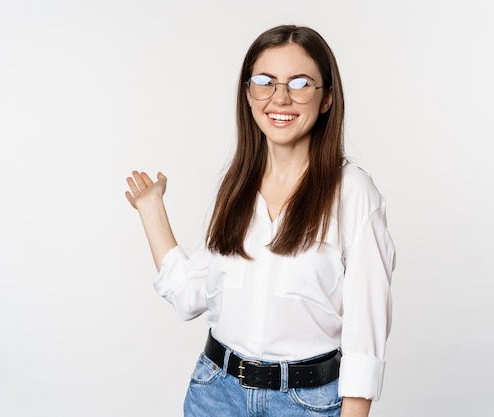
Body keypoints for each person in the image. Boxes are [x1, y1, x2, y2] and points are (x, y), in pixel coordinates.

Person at [125, 24, 395, 417]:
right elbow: (190, 295)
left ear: (326, 100)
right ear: (248, 94)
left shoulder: (354, 193)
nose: (280, 98)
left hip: (307, 404)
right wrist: (152, 209)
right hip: (214, 394)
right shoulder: (236, 187)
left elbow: (364, 339)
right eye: (265, 82)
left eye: (300, 83)